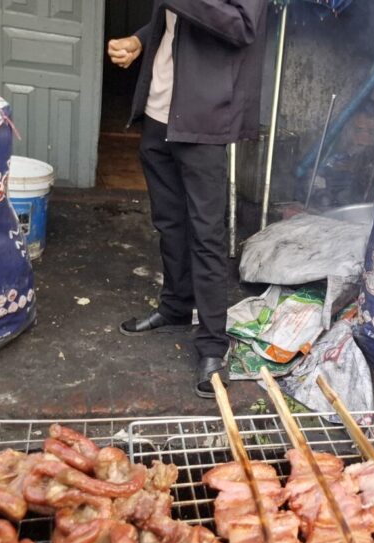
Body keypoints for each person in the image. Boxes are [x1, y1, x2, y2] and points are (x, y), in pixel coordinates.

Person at [109, 1, 267, 398]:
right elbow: (172, 19)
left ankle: (213, 345)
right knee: (168, 221)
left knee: (206, 234)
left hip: (203, 119)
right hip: (158, 112)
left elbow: (242, 26)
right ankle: (176, 305)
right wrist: (140, 40)